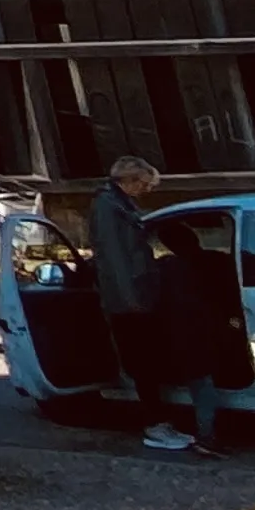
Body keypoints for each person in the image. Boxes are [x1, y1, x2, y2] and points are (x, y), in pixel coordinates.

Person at [88, 153, 193, 452]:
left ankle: (160, 421)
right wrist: (131, 299)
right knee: (144, 363)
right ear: (130, 181)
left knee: (150, 362)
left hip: (136, 295)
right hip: (128, 301)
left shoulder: (119, 204)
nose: (148, 191)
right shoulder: (109, 208)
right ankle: (155, 425)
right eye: (145, 185)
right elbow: (116, 258)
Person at [153, 215, 239, 460]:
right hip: (216, 331)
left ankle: (207, 437)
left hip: (185, 335)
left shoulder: (165, 269)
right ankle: (207, 436)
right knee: (204, 386)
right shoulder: (216, 260)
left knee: (201, 387)